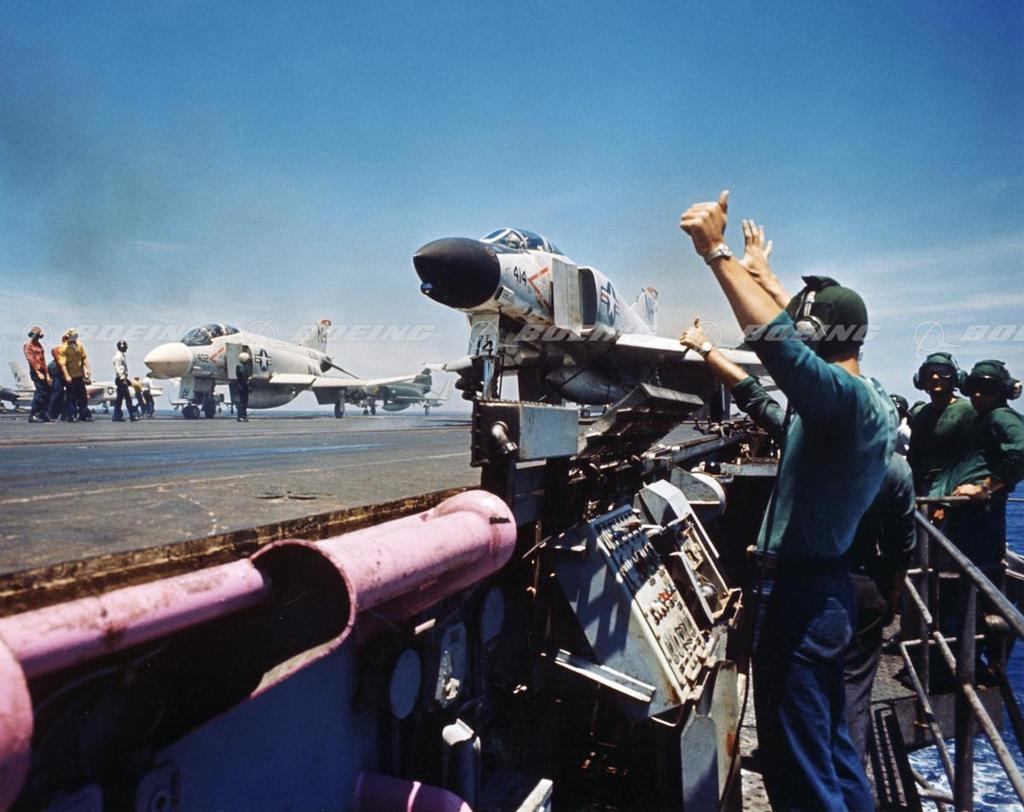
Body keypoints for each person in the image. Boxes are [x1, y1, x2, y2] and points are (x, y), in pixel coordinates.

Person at [680, 192, 892, 810]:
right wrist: (757, 284)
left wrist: (715, 254)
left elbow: (778, 344)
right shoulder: (863, 404)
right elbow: (763, 398)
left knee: (798, 770)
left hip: (798, 601)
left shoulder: (841, 401)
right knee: (831, 751)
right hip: (824, 594)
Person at [932, 360, 1024, 575]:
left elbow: (1021, 450)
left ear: (1003, 391)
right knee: (961, 575)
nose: (978, 395)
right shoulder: (983, 419)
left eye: (988, 389)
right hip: (966, 513)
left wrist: (984, 488)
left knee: (977, 575)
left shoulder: (1001, 416)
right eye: (973, 388)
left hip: (979, 516)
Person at [906, 352, 976, 495]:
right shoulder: (920, 414)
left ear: (955, 378)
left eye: (943, 372)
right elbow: (914, 458)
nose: (935, 377)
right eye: (929, 372)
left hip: (957, 491)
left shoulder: (967, 411)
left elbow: (974, 457)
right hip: (925, 492)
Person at [23, 326, 51, 423]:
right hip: (36, 372)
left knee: (47, 393)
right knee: (40, 392)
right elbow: (31, 359)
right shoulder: (28, 346)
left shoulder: (40, 346)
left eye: (38, 335)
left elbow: (44, 361)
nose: (36, 337)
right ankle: (33, 414)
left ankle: (43, 413)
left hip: (43, 371)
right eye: (35, 335)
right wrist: (38, 372)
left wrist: (47, 375)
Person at [63, 329, 93, 422]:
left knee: (83, 396)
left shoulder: (79, 346)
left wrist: (88, 369)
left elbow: (84, 358)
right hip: (70, 376)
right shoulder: (64, 348)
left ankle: (83, 414)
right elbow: (63, 364)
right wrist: (66, 375)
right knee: (72, 396)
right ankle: (72, 415)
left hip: (80, 375)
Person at [112, 340, 139, 422]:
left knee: (120, 399)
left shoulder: (121, 355)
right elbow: (118, 368)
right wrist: (123, 379)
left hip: (122, 378)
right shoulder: (118, 357)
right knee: (127, 398)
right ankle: (132, 415)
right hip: (121, 379)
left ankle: (117, 416)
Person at [48, 333, 70, 421]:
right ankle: (51, 414)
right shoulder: (57, 349)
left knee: (67, 395)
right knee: (57, 394)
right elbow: (58, 360)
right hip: (57, 371)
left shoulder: (72, 349)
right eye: (66, 338)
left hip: (65, 371)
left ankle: (65, 414)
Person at [235, 351, 252, 422]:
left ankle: (240, 416)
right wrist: (248, 387)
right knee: (244, 402)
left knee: (241, 401)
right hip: (244, 387)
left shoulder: (238, 367)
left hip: (240, 386)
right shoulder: (244, 368)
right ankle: (243, 416)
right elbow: (245, 378)